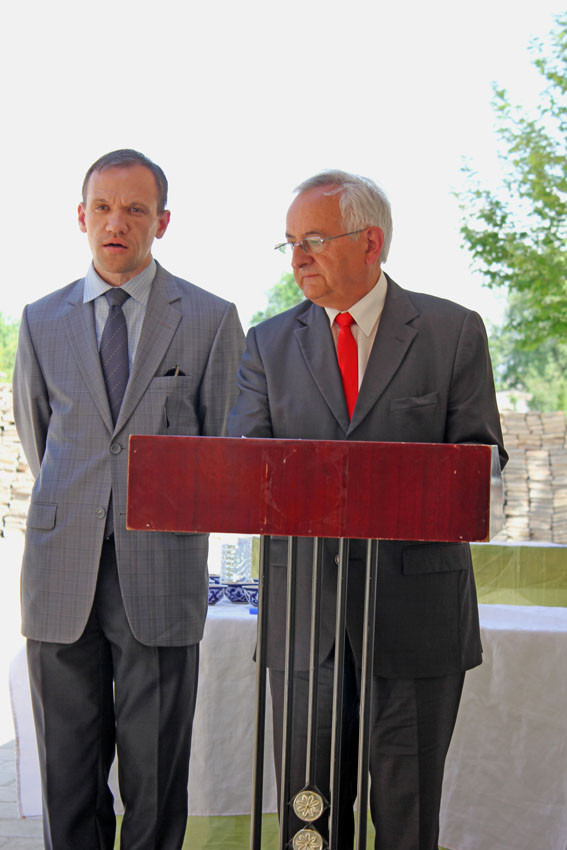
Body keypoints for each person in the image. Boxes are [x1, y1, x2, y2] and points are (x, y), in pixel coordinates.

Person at [227, 170, 507, 850]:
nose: (297, 257)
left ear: (370, 242)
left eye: (313, 240)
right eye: (289, 242)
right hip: (306, 622)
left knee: (407, 817)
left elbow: (480, 464)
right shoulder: (267, 344)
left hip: (414, 619)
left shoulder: (451, 332)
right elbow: (243, 467)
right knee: (309, 818)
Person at [13, 149, 245, 850]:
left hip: (161, 571)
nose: (118, 223)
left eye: (136, 209)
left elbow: (223, 447)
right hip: (60, 574)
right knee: (67, 774)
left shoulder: (210, 319)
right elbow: (40, 437)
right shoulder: (40, 318)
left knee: (155, 773)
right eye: (104, 208)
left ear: (162, 222)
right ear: (81, 217)